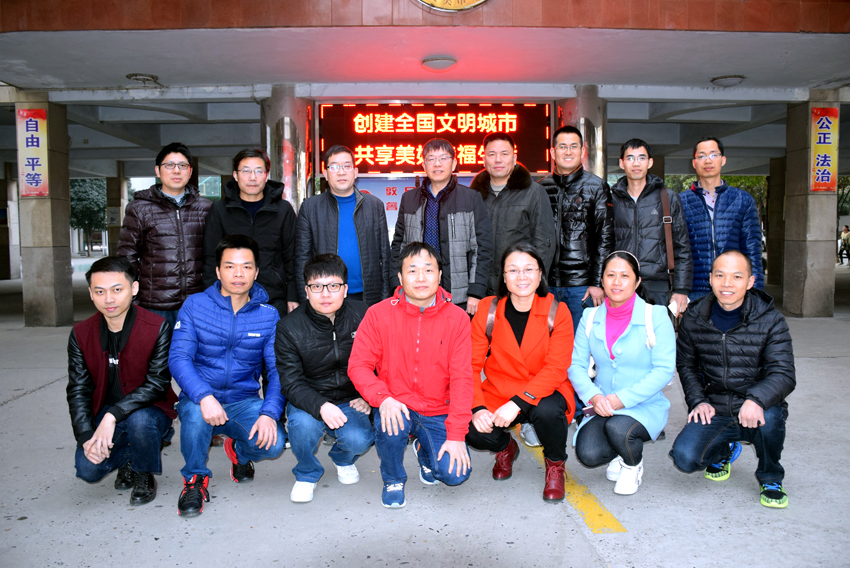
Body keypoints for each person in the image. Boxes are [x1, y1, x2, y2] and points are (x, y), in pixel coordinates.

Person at [349, 242, 473, 508]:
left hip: (438, 409)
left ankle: (425, 451)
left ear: (439, 275)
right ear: (400, 277)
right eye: (412, 270)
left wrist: (456, 435)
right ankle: (393, 478)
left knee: (455, 474)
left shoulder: (458, 319)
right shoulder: (378, 314)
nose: (421, 278)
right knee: (390, 423)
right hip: (396, 404)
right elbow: (358, 365)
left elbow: (462, 379)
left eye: (428, 270)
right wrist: (382, 398)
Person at [169, 235, 286, 517]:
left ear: (256, 272)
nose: (238, 274)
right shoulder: (195, 305)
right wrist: (203, 396)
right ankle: (194, 479)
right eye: (230, 266)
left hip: (243, 401)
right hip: (200, 398)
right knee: (195, 415)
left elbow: (278, 370)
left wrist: (269, 413)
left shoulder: (268, 315)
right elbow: (179, 358)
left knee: (274, 444)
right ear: (218, 271)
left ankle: (239, 452)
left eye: (246, 267)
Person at [670, 250, 795, 509]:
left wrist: (757, 399)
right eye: (720, 275)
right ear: (710, 279)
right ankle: (724, 448)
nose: (727, 283)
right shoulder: (694, 316)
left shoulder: (771, 319)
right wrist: (698, 401)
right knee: (685, 458)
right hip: (715, 406)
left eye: (737, 276)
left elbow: (783, 373)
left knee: (770, 419)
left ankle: (770, 476)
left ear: (750, 282)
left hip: (756, 406)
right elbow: (687, 365)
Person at [465, 244, 575, 502]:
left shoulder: (557, 311)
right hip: (500, 389)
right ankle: (506, 447)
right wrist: (478, 408)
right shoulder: (488, 309)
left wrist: (516, 404)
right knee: (470, 427)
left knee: (547, 410)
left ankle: (555, 464)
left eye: (529, 269)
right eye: (513, 270)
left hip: (544, 389)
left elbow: (556, 368)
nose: (521, 276)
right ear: (503, 277)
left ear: (540, 274)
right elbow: (470, 365)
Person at [67, 256, 177, 506]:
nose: (109, 299)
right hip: (105, 411)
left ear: (134, 288)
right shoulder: (81, 333)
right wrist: (85, 435)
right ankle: (129, 456)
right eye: (100, 291)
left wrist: (112, 415)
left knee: (140, 421)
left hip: (149, 411)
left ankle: (143, 472)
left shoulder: (157, 327)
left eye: (117, 290)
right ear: (91, 294)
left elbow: (157, 384)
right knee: (88, 469)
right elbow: (78, 389)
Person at [568, 251, 675, 495]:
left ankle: (632, 464)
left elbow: (664, 370)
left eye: (625, 276)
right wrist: (594, 397)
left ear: (637, 282)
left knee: (619, 429)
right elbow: (576, 365)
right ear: (602, 280)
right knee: (588, 454)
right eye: (611, 275)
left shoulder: (656, 316)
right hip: (603, 404)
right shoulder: (590, 316)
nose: (617, 282)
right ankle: (619, 451)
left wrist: (621, 400)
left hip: (644, 405)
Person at [276, 253, 374, 503]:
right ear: (306, 291)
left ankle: (342, 458)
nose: (326, 294)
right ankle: (307, 472)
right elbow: (290, 381)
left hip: (351, 398)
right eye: (317, 287)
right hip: (310, 398)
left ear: (345, 289)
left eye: (333, 286)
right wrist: (320, 405)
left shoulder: (364, 315)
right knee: (302, 427)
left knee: (361, 440)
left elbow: (380, 361)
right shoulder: (289, 327)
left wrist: (367, 395)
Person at [390, 138, 494, 316]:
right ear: (423, 165)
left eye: (443, 158)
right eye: (431, 159)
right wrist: (396, 284)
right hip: (417, 292)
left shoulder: (471, 198)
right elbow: (399, 246)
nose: (437, 164)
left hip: (459, 294)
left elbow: (483, 248)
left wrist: (476, 291)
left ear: (454, 164)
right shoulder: (409, 199)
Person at [117, 142, 211, 327]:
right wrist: (134, 301)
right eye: (169, 165)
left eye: (182, 165)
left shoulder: (206, 208)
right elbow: (126, 258)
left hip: (198, 303)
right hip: (154, 305)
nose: (176, 170)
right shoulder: (139, 209)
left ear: (190, 171)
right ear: (158, 171)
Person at [203, 148, 299, 316]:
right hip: (230, 299)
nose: (252, 177)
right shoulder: (220, 210)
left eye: (258, 171)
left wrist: (293, 296)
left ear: (266, 175)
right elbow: (211, 258)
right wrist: (212, 297)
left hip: (274, 297)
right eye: (246, 171)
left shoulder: (283, 210)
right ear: (235, 175)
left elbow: (292, 257)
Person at [539, 125, 614, 333]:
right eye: (562, 147)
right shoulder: (540, 187)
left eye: (574, 146)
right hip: (546, 285)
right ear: (553, 152)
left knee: (582, 344)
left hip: (582, 287)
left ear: (583, 151)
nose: (568, 151)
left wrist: (597, 282)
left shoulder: (597, 186)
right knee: (547, 344)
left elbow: (605, 238)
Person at [296, 145, 391, 305]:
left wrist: (385, 299)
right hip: (326, 296)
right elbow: (302, 259)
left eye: (347, 166)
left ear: (355, 172)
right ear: (325, 174)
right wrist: (305, 302)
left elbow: (385, 257)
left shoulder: (375, 206)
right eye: (334, 167)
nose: (341, 172)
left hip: (367, 296)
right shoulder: (310, 207)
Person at [469, 132, 557, 296]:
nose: (498, 160)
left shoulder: (533, 192)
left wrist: (533, 282)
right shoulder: (474, 196)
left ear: (514, 158)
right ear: (484, 159)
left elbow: (544, 242)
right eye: (492, 154)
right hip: (482, 288)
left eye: (504, 154)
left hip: (520, 286)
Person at [610, 139, 692, 315]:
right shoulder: (611, 200)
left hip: (657, 286)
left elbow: (682, 246)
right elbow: (602, 245)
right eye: (630, 158)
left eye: (641, 158)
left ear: (650, 162)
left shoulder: (667, 198)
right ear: (622, 163)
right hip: (620, 284)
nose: (636, 163)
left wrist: (681, 289)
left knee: (656, 332)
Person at [680, 137, 764, 300]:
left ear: (723, 160)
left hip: (732, 288)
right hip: (695, 288)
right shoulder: (681, 201)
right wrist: (680, 290)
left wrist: (757, 293)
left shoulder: (742, 199)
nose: (708, 160)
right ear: (694, 163)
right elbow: (678, 250)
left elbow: (752, 249)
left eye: (713, 155)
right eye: (702, 156)